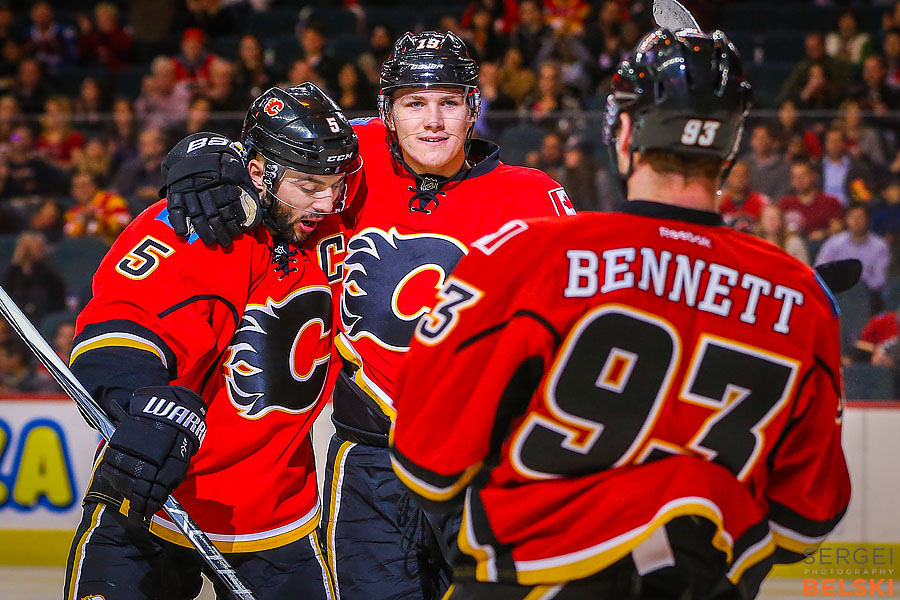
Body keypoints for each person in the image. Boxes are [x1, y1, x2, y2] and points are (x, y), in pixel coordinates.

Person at [390, 27, 851, 599]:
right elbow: (805, 520)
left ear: (625, 131)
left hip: (530, 578)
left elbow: (424, 460)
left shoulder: (527, 254)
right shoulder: (801, 297)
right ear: (729, 148)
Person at [161, 30, 573, 600]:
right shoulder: (351, 163)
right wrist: (206, 154)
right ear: (387, 112)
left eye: (449, 102)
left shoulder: (535, 199)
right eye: (415, 103)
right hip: (369, 465)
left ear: (474, 107)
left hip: (485, 463)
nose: (433, 121)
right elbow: (272, 147)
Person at [63, 83, 359, 600]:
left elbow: (414, 140)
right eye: (309, 185)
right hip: (154, 488)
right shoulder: (200, 222)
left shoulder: (345, 223)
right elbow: (123, 321)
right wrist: (139, 400)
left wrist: (201, 146)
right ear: (261, 172)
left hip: (278, 514)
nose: (328, 201)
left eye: (337, 184)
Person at [816, 203, 890, 313]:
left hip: (866, 296)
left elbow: (879, 280)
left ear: (867, 220)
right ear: (846, 220)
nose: (856, 221)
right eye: (852, 217)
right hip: (835, 294)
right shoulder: (833, 243)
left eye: (860, 217)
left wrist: (857, 287)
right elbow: (818, 271)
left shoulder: (880, 246)